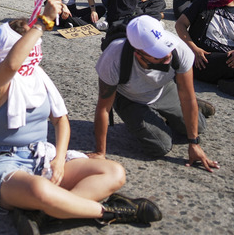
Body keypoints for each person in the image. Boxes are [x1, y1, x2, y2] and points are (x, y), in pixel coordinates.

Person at [0, 0, 162, 231]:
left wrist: (58, 160)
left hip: (42, 156)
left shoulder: (37, 76)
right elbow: (12, 65)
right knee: (40, 190)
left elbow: (61, 120)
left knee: (114, 172)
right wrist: (42, 22)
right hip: (7, 162)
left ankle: (49, 213)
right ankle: (112, 212)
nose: (34, 51)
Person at [93, 15, 219, 167]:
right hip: (130, 98)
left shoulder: (179, 50)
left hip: (162, 89)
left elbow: (187, 97)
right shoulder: (114, 57)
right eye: (158, 54)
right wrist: (100, 153)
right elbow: (103, 108)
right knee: (160, 146)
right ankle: (164, 115)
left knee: (199, 127)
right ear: (138, 54)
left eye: (165, 46)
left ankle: (181, 109)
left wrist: (194, 144)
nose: (167, 55)